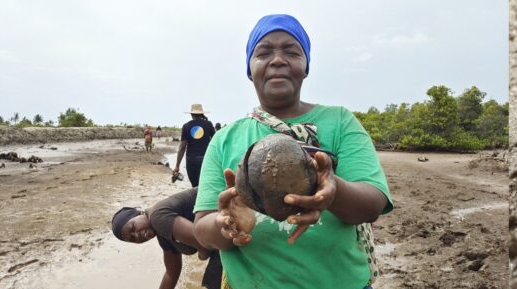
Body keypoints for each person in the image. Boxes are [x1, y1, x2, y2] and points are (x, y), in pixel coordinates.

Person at [192, 14, 392, 289]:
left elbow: (373, 204)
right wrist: (227, 223)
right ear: (250, 69)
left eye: (291, 51)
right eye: (263, 53)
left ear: (306, 66)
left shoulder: (340, 122)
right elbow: (203, 231)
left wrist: (332, 191)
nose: (277, 60)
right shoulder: (225, 139)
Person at [111, 188, 222, 289]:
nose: (137, 235)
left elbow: (203, 243)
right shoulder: (163, 237)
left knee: (213, 282)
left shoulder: (157, 218)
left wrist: (202, 256)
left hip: (227, 218)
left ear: (138, 213)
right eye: (133, 238)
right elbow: (171, 274)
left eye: (133, 227)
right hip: (221, 235)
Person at [174, 104, 216, 187]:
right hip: (205, 159)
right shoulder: (208, 124)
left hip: (191, 160)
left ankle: (195, 199)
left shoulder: (186, 126)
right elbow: (215, 141)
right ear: (201, 113)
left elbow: (182, 147)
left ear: (191, 114)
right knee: (204, 186)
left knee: (194, 185)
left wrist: (177, 166)